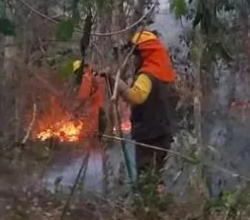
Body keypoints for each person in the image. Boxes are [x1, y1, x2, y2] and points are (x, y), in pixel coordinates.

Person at [107, 30, 178, 186]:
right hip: (164, 134)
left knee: (146, 179)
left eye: (136, 56)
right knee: (157, 177)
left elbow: (136, 97)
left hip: (150, 135)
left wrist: (115, 81)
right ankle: (158, 206)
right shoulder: (164, 74)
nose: (134, 60)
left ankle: (147, 208)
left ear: (143, 55)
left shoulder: (147, 75)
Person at [72, 60, 106, 142]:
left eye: (78, 72)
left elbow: (82, 98)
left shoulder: (86, 78)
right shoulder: (94, 75)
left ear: (83, 68)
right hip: (101, 111)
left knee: (89, 138)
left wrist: (74, 110)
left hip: (95, 113)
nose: (78, 75)